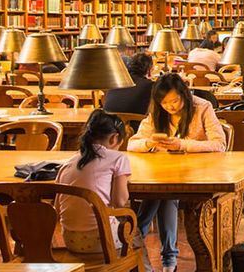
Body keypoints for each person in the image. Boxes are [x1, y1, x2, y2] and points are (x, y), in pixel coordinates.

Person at [128, 74, 226, 272]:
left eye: (174, 100)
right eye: (164, 102)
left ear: (185, 94)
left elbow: (219, 143)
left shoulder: (202, 107)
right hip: (162, 171)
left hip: (197, 172)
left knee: (165, 195)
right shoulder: (157, 111)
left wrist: (183, 144)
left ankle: (134, 237)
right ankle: (163, 259)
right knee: (163, 193)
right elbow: (132, 143)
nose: (170, 107)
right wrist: (150, 143)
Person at [56, 110, 131, 255]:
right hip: (102, 240)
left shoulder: (68, 162)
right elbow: (120, 202)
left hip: (70, 240)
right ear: (114, 138)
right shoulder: (118, 158)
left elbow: (58, 209)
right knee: (135, 231)